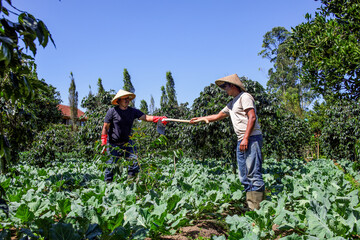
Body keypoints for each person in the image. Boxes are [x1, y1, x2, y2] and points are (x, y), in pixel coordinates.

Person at [190, 74, 265, 210]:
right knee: (243, 176)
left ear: (233, 85)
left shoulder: (245, 97)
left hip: (251, 138)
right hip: (241, 140)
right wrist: (201, 118)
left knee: (253, 174)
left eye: (225, 86)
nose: (224, 89)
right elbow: (218, 116)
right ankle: (251, 207)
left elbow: (252, 117)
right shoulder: (232, 103)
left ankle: (258, 210)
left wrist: (246, 138)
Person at [101, 89, 167, 182]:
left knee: (134, 163)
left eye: (128, 98)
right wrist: (103, 142)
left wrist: (158, 118)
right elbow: (105, 127)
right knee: (110, 166)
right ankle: (107, 187)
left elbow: (146, 117)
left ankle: (131, 184)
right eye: (124, 99)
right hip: (113, 143)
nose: (127, 100)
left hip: (127, 142)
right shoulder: (112, 112)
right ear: (119, 100)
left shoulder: (132, 111)